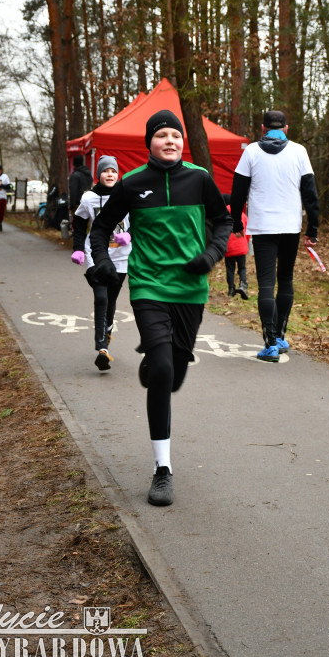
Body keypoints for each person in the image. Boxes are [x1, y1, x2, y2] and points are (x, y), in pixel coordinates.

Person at [89, 110, 231, 507]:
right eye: (161, 135)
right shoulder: (133, 184)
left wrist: (211, 254)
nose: (169, 141)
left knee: (173, 373)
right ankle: (162, 469)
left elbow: (223, 222)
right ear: (149, 142)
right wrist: (101, 262)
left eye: (175, 135)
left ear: (181, 142)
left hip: (190, 288)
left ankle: (158, 361)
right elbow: (101, 229)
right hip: (149, 285)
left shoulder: (200, 178)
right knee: (165, 369)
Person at [230, 109, 320, 362]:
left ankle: (270, 343)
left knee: (267, 284)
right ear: (286, 128)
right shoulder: (299, 151)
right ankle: (280, 336)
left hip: (262, 226)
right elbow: (311, 194)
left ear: (262, 128)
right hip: (290, 225)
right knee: (286, 279)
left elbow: (238, 191)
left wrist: (236, 221)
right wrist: (313, 228)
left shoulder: (251, 152)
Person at [71, 155, 132, 370]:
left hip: (121, 257)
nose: (110, 174)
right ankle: (102, 348)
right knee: (101, 297)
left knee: (111, 301)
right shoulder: (89, 198)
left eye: (114, 171)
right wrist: (78, 248)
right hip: (96, 254)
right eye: (106, 171)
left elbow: (140, 220)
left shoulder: (126, 195)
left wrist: (129, 235)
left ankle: (106, 336)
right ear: (99, 174)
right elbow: (78, 222)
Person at [223, 193, 250, 299]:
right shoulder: (241, 215)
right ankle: (243, 285)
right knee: (242, 268)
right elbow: (247, 230)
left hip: (228, 247)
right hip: (241, 247)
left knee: (230, 269)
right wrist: (245, 242)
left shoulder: (223, 215)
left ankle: (231, 289)